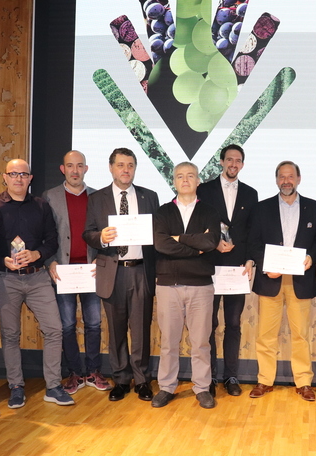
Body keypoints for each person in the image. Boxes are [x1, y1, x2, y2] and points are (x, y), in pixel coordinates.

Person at [0, 158, 74, 408]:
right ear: (5, 177)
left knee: (54, 329)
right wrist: (2, 260)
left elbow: (52, 240)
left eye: (23, 174)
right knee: (10, 334)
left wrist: (38, 254)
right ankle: (16, 386)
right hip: (5, 279)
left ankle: (53, 386)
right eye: (13, 174)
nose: (18, 178)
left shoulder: (41, 205)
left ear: (30, 178)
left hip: (37, 277)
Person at [83, 148, 158, 402]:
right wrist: (101, 238)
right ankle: (121, 379)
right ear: (111, 167)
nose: (126, 170)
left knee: (141, 330)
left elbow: (157, 235)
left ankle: (142, 380)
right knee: (116, 330)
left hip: (141, 271)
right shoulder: (97, 198)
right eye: (121, 165)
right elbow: (88, 233)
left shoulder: (150, 196)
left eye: (130, 165)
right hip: (112, 272)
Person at [247, 161, 316, 401]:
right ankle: (264, 380)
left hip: (301, 280)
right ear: (276, 179)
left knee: (301, 334)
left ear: (299, 179)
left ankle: (304, 382)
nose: (286, 181)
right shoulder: (262, 208)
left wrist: (312, 257)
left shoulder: (314, 207)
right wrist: (266, 265)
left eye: (290, 176)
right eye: (282, 176)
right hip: (271, 280)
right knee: (266, 335)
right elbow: (253, 243)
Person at [151, 162, 221, 409]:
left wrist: (179, 238)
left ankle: (202, 387)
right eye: (180, 176)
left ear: (198, 181)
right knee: (169, 342)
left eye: (190, 175)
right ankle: (166, 387)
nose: (185, 180)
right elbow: (161, 244)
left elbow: (210, 242)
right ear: (174, 181)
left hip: (201, 286)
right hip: (168, 285)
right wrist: (195, 248)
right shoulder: (162, 212)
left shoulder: (210, 211)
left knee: (201, 342)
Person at [43, 150, 110, 394]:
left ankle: (93, 371)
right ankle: (74, 373)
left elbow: (105, 233)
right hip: (63, 272)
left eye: (79, 165)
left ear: (86, 169)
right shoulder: (49, 197)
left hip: (91, 270)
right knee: (68, 325)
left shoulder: (98, 197)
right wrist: (50, 261)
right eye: (70, 166)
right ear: (63, 169)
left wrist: (101, 258)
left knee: (93, 323)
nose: (75, 170)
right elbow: (45, 233)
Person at [196, 144, 258, 397]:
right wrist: (212, 244)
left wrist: (251, 260)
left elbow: (253, 231)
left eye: (238, 160)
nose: (233, 164)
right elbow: (197, 225)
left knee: (233, 324)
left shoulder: (251, 194)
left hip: (237, 269)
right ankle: (209, 376)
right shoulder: (204, 190)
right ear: (221, 162)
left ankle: (231, 375)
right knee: (208, 324)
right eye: (229, 159)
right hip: (210, 265)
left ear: (242, 164)